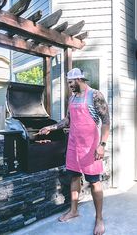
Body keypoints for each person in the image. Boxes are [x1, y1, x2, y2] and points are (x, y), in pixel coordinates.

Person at [39, 68, 110, 235]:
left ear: (79, 79)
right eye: (68, 83)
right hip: (74, 145)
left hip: (91, 146)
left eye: (71, 82)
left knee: (94, 182)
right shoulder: (72, 98)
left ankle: (99, 218)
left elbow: (106, 121)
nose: (69, 86)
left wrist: (102, 144)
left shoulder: (95, 95)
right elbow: (67, 120)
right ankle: (73, 210)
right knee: (74, 177)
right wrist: (51, 127)